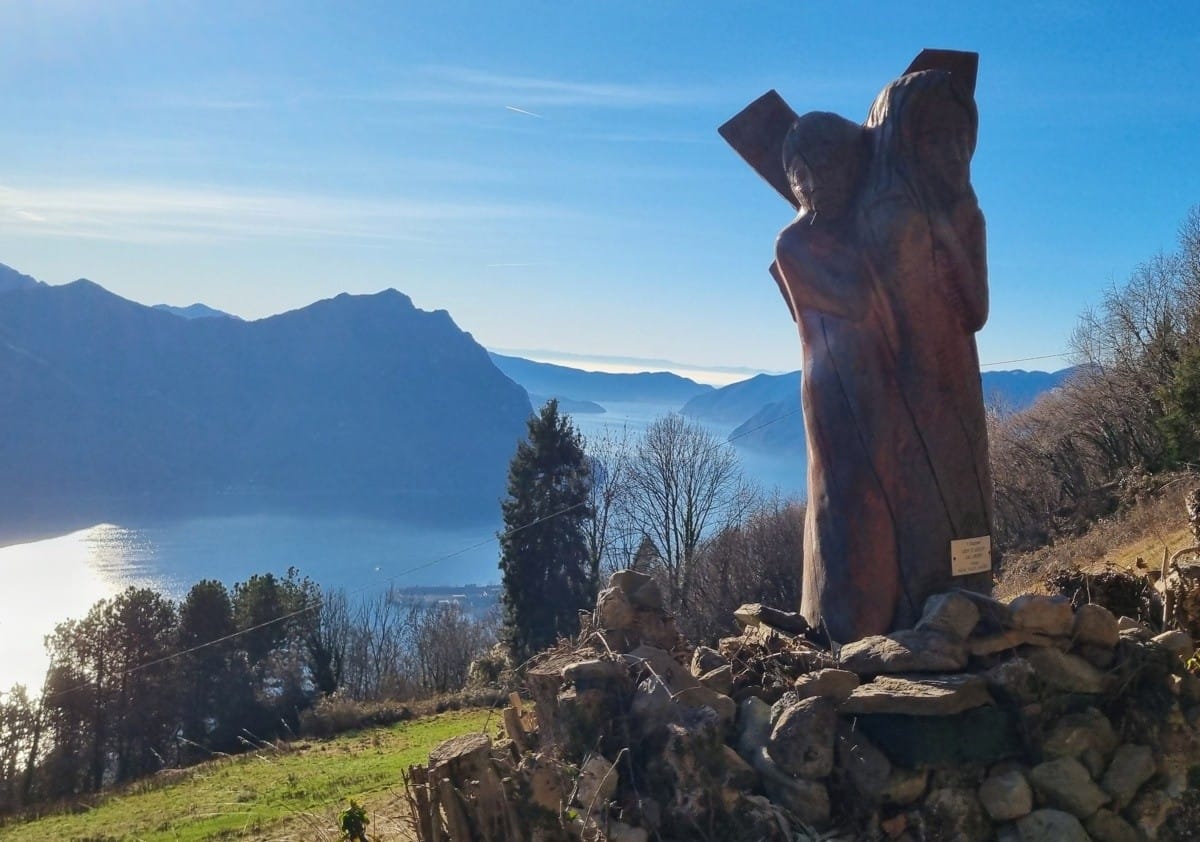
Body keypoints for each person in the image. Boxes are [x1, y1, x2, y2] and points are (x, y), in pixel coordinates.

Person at [773, 67, 993, 641]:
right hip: (847, 392)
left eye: (959, 138)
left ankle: (955, 603)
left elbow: (975, 308)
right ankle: (855, 625)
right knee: (857, 506)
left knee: (952, 503)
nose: (818, 182)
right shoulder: (798, 241)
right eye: (805, 173)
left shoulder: (962, 215)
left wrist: (932, 237)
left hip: (939, 393)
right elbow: (854, 298)